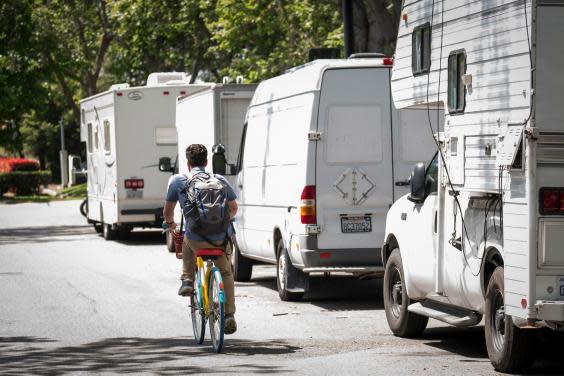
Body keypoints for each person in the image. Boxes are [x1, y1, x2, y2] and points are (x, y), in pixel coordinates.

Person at [163, 144, 238, 334]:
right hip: (221, 241)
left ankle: (188, 279)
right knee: (226, 272)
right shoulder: (219, 179)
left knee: (187, 237)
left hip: (195, 240)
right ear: (206, 162)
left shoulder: (178, 180)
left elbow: (168, 211)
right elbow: (234, 207)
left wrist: (170, 224)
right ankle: (228, 315)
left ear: (188, 163)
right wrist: (222, 223)